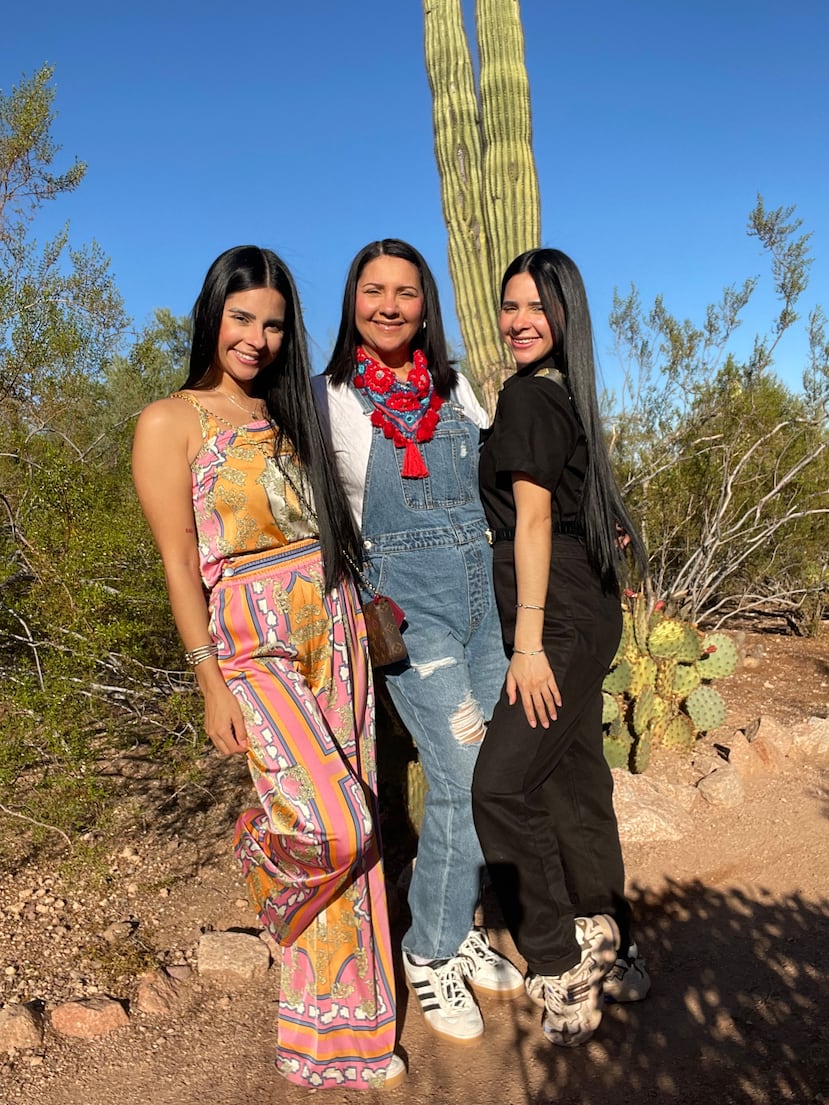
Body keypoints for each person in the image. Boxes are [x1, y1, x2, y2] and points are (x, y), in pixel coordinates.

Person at [131, 246, 403, 1090]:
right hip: (250, 640)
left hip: (332, 620)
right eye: (242, 317)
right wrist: (208, 679)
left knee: (363, 835)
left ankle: (345, 1037)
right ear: (212, 314)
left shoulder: (292, 413)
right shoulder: (168, 421)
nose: (256, 337)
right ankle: (261, 852)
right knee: (333, 822)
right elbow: (180, 558)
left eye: (273, 323)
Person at [313, 239, 523, 1047]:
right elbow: (320, 517)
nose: (390, 305)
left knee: (490, 765)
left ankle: (454, 924)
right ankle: (429, 950)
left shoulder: (452, 383)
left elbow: (497, 475)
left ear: (426, 303)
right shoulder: (329, 397)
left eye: (406, 291)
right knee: (461, 769)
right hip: (408, 608)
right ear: (352, 301)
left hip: (478, 597)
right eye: (374, 290)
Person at [472, 248, 652, 1049]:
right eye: (509, 306)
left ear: (565, 316)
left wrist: (528, 642)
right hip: (589, 603)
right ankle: (609, 938)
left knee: (501, 785)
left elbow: (534, 520)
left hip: (556, 616)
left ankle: (558, 965)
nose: (518, 321)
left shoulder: (524, 398)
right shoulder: (564, 396)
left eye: (535, 307)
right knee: (574, 775)